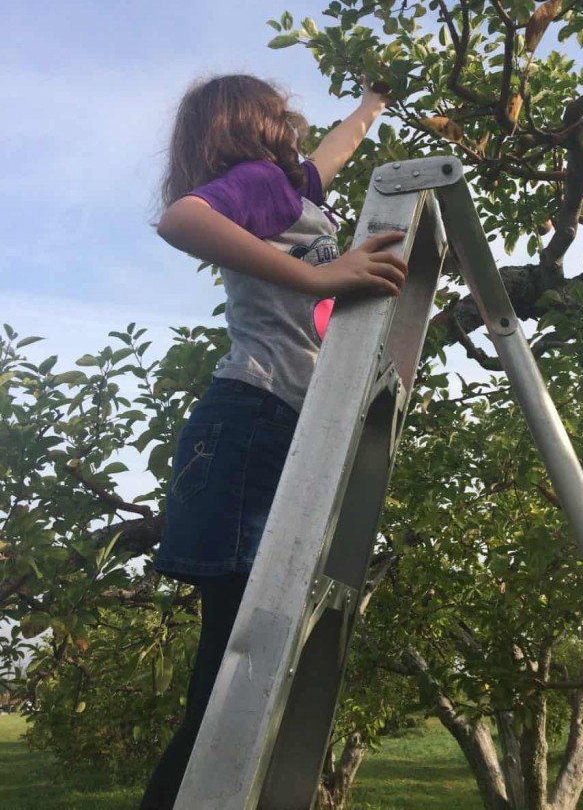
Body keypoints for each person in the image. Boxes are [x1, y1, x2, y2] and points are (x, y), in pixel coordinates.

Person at [139, 73, 407, 809]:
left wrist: (372, 105)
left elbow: (335, 151)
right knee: (231, 675)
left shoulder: (294, 192)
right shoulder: (258, 182)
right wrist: (319, 279)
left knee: (236, 671)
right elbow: (182, 221)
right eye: (282, 116)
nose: (295, 126)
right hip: (251, 420)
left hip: (271, 422)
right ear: (251, 126)